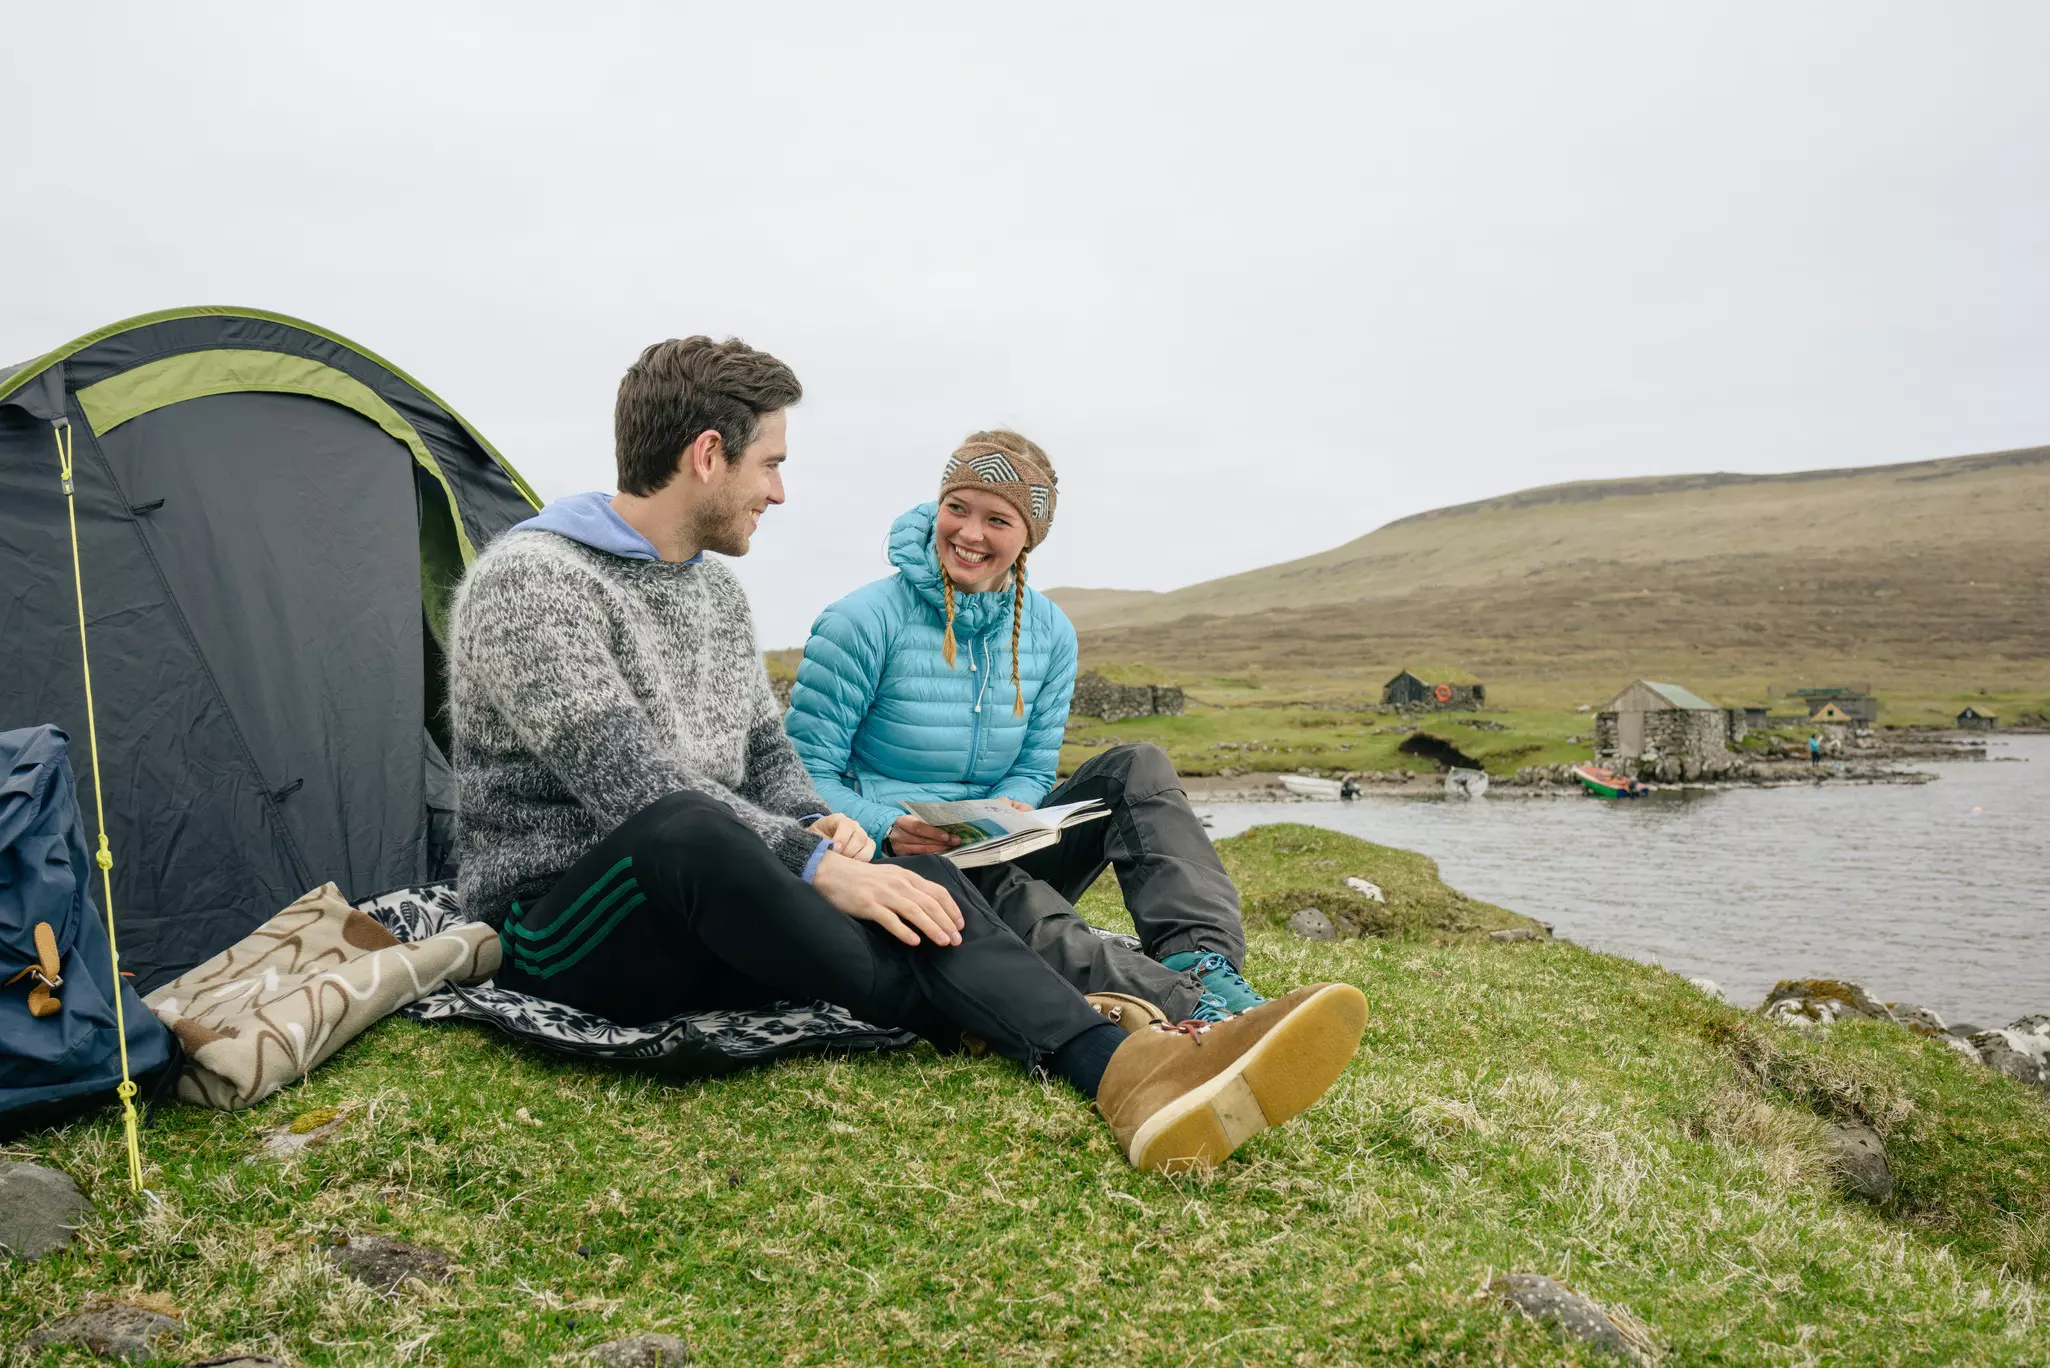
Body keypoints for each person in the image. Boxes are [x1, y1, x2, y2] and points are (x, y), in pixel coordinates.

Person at [446, 339, 1365, 1173]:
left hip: (712, 900)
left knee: (900, 884)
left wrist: (823, 828)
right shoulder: (533, 586)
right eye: (770, 463)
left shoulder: (716, 597)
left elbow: (768, 759)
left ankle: (1130, 1071)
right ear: (707, 456)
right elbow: (636, 784)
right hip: (565, 924)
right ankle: (1095, 1018)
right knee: (694, 825)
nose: (778, 491)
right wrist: (814, 860)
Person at [784, 431, 1269, 1028]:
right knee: (973, 867)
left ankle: (1208, 964)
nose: (968, 533)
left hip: (995, 848)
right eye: (957, 508)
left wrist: (1010, 810)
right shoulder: (860, 621)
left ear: (1028, 537)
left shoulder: (1051, 633)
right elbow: (801, 776)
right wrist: (890, 826)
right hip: (893, 869)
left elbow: (1037, 765)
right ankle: (1187, 1007)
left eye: (997, 519)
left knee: (1138, 765)